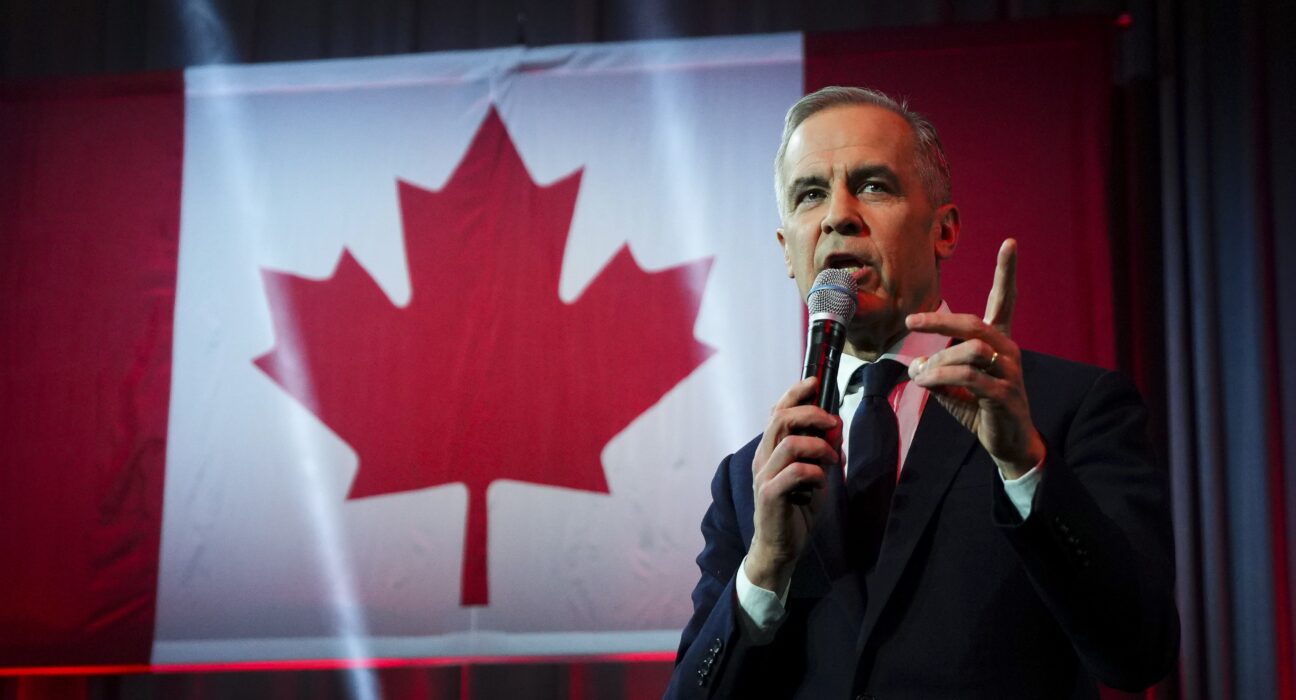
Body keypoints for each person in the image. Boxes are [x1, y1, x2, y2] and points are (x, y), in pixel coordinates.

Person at [665, 86, 1179, 699]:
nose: (838, 215)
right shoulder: (751, 479)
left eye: (873, 186)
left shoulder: (1065, 410)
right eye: (810, 194)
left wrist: (1024, 467)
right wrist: (765, 567)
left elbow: (1139, 652)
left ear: (945, 231)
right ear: (788, 253)